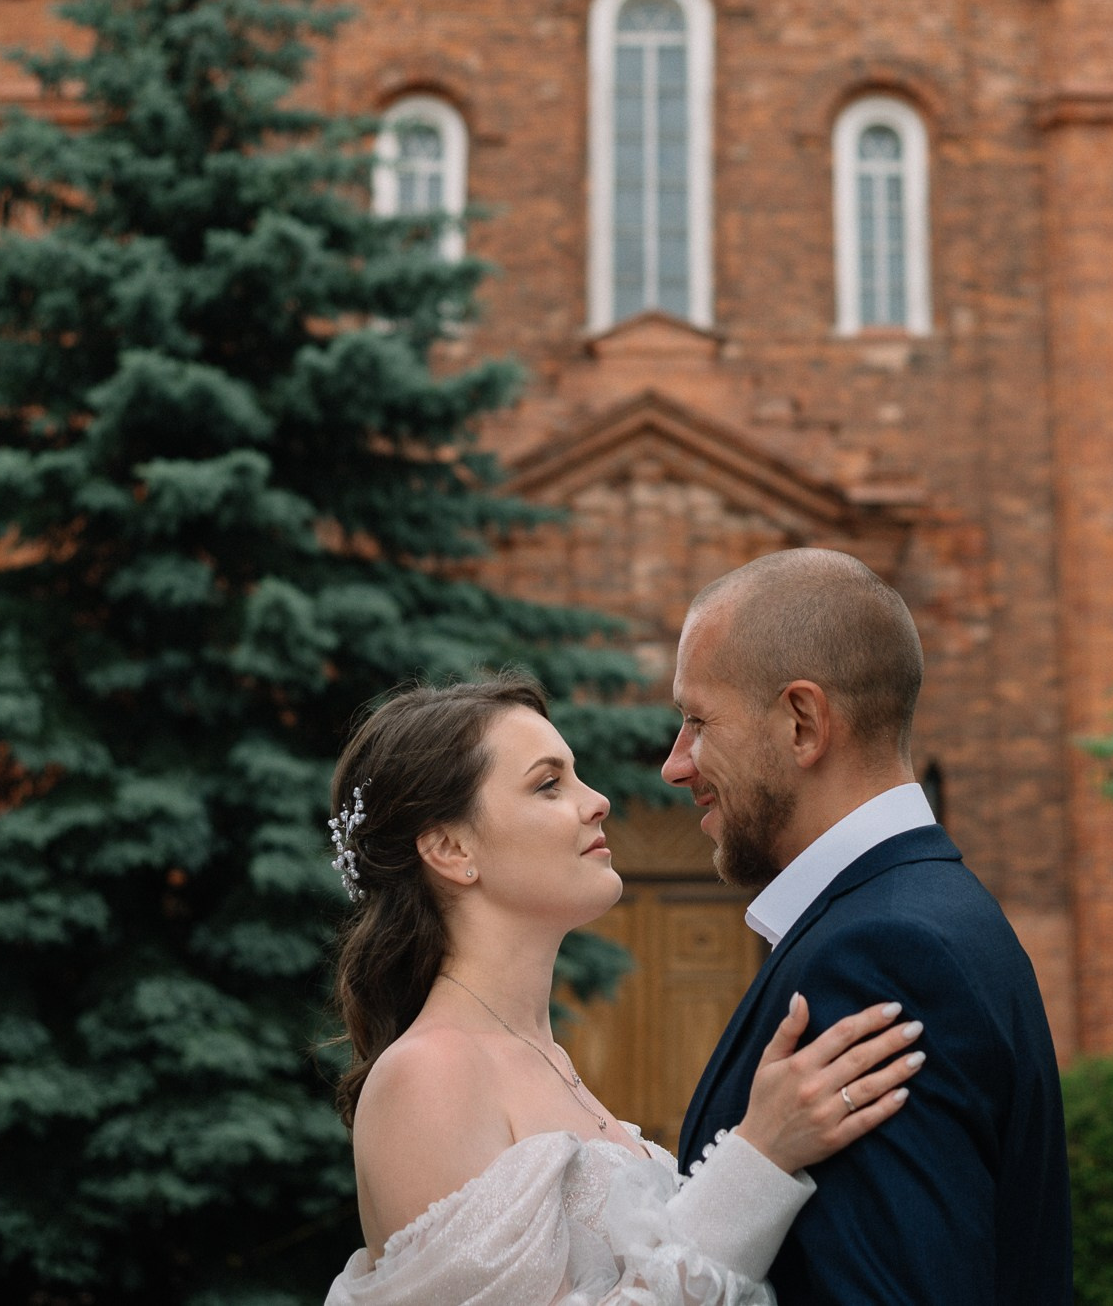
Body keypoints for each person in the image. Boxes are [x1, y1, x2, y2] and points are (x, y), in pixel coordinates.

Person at [321, 673, 927, 1305]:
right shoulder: (430, 1073)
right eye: (548, 783)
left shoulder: (544, 1057)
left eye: (577, 775)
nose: (598, 801)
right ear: (449, 847)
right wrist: (759, 1158)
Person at [671, 549, 1070, 1305]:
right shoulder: (934, 910)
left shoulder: (879, 955)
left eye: (696, 720)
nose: (675, 763)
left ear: (802, 722)